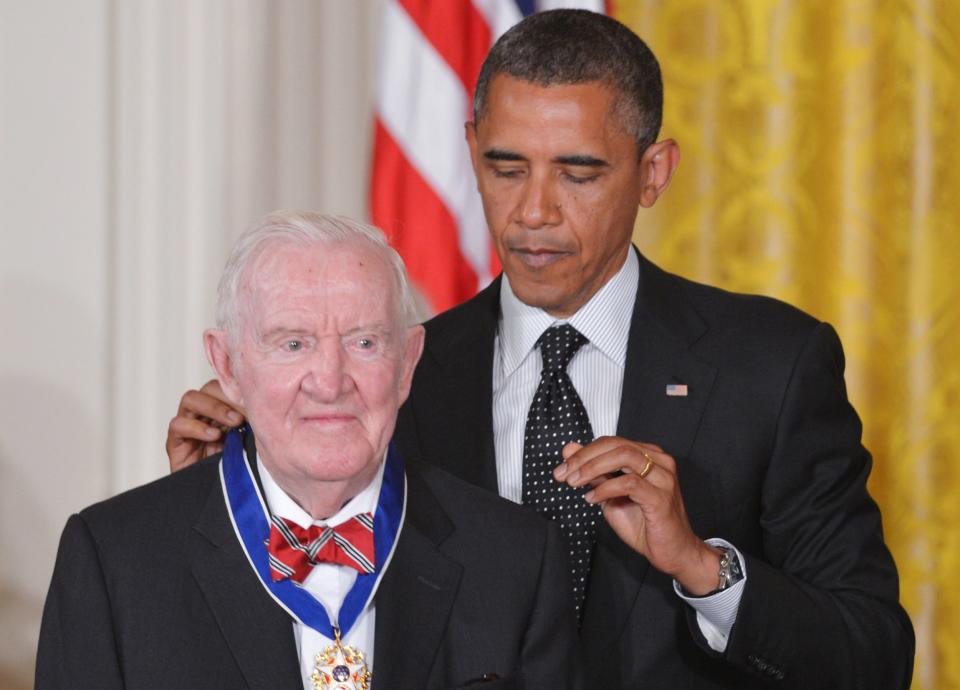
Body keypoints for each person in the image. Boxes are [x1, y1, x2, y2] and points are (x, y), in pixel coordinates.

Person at [165, 10, 914, 689]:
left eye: (578, 172)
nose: (533, 212)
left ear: (653, 173)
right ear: (470, 151)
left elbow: (874, 652)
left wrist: (700, 566)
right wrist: (230, 506)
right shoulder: (392, 376)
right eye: (505, 167)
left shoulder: (772, 367)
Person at [36, 212, 582, 690]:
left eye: (364, 342)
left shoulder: (515, 558)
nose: (329, 381)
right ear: (226, 365)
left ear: (408, 362)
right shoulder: (114, 561)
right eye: (293, 343)